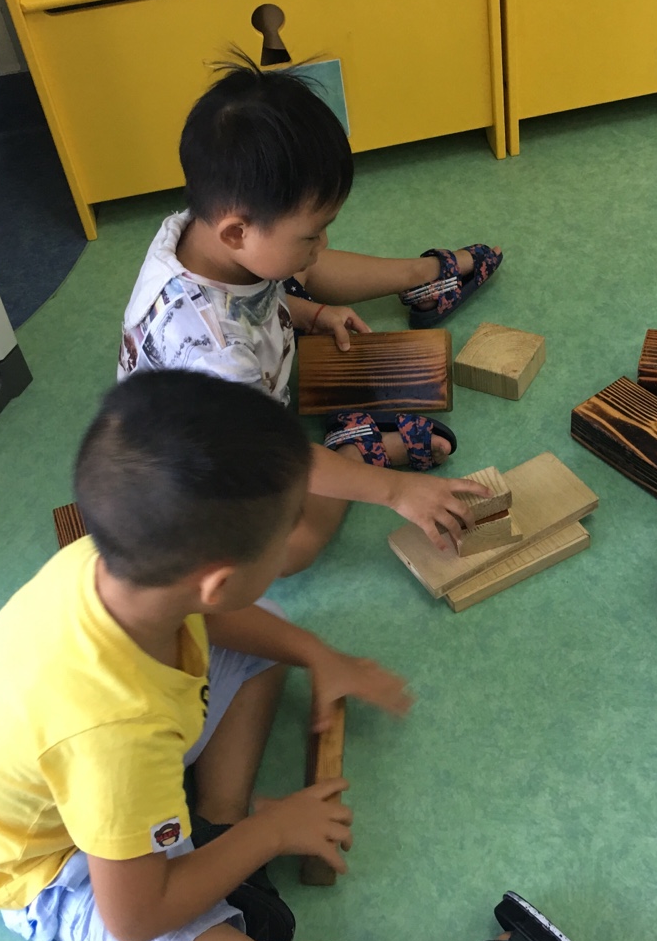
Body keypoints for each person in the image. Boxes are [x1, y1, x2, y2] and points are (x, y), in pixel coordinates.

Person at [0, 371, 602, 941]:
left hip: (99, 764)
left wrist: (318, 655)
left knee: (267, 630)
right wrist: (274, 831)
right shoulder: (114, 737)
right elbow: (136, 918)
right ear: (217, 580)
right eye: (286, 534)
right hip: (60, 867)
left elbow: (220, 621)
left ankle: (219, 817)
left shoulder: (114, 564)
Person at [118, 58, 503, 574]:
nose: (323, 241)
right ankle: (352, 452)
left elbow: (250, 297)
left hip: (241, 378)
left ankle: (421, 275)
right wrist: (396, 491)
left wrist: (309, 311)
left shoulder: (202, 231)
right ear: (236, 232)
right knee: (283, 553)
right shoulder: (215, 352)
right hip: (220, 457)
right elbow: (273, 452)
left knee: (296, 266)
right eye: (312, 232)